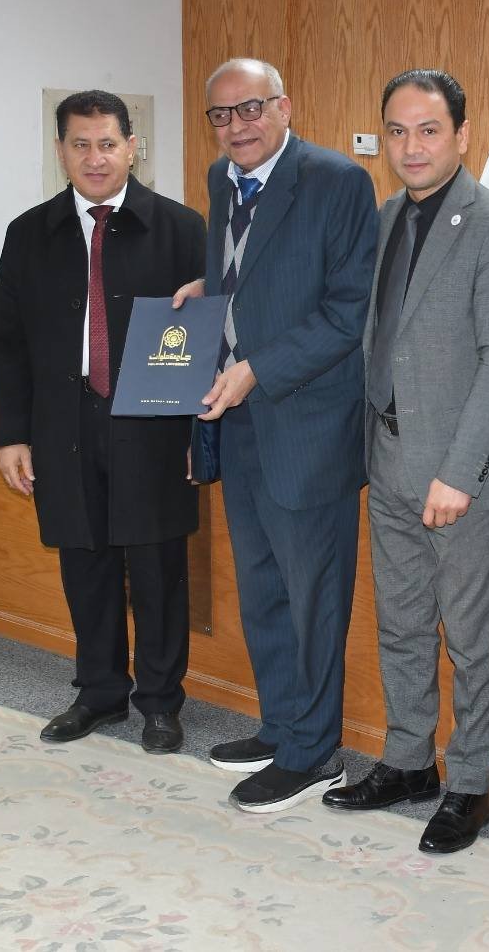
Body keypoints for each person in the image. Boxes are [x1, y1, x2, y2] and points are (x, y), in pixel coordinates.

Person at [319, 70, 489, 854]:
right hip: (387, 457)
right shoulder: (385, 218)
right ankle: (410, 762)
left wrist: (459, 472)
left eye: (429, 129)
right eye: (398, 131)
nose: (412, 147)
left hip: (458, 474)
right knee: (403, 624)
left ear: (462, 135)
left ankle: (470, 784)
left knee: (470, 639)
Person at [177, 58, 378, 813]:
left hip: (307, 424)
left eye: (251, 108)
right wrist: (208, 291)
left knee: (312, 599)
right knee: (261, 589)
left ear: (284, 107)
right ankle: (281, 726)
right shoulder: (220, 179)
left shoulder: (338, 182)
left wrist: (258, 368)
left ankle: (313, 753)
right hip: (239, 423)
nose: (237, 126)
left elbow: (348, 311)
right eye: (221, 114)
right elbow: (251, 273)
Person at [0, 90, 205, 753]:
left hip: (154, 422)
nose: (95, 157)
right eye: (80, 145)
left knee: (158, 565)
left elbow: (210, 339)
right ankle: (100, 692)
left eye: (108, 143)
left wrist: (202, 435)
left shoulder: (181, 229)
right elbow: (8, 344)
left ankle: (161, 703)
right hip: (64, 419)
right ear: (60, 152)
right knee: (85, 562)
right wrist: (10, 435)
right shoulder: (30, 233)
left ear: (132, 147)